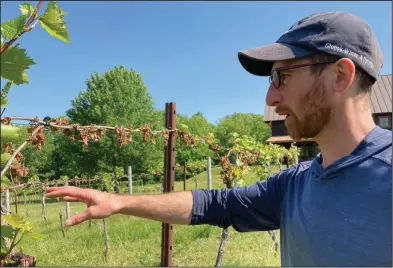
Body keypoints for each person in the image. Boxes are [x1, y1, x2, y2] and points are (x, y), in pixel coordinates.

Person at [46, 11, 392, 266]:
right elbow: (215, 204)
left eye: (282, 76)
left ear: (340, 76)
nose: (271, 99)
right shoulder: (294, 186)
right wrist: (120, 201)